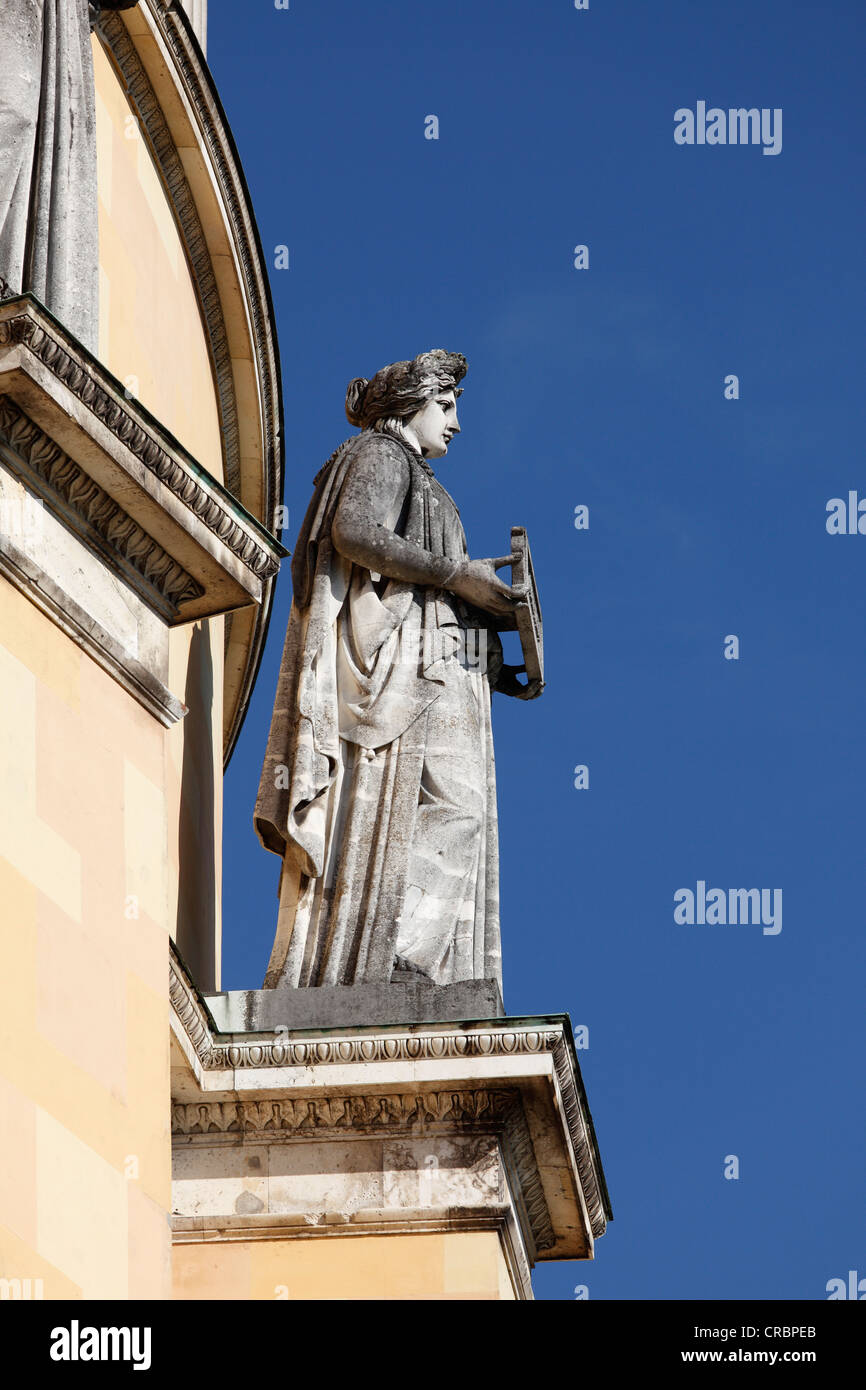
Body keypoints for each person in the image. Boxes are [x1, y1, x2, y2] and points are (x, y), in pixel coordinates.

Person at [255, 349, 535, 991]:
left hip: (443, 661)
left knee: (454, 806)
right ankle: (397, 955)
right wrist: (456, 574)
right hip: (405, 665)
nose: (456, 423)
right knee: (446, 804)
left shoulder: (422, 479)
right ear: (411, 405)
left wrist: (496, 659)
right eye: (447, 406)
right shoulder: (380, 455)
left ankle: (416, 958)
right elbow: (355, 533)